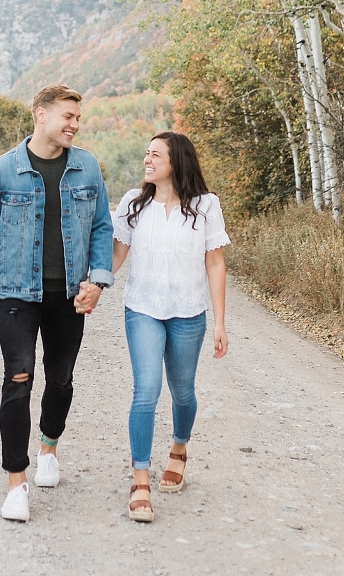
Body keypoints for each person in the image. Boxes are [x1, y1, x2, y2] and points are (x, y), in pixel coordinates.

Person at [0, 84, 114, 523]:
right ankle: (15, 483)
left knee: (60, 380)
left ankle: (49, 450)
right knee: (18, 379)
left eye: (78, 117)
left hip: (70, 295)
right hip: (17, 293)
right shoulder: (2, 171)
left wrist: (98, 280)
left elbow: (100, 228)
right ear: (40, 115)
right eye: (67, 116)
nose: (75, 124)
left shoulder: (88, 168)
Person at [112, 131, 230, 523]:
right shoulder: (133, 203)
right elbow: (116, 255)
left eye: (155, 155)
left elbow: (215, 263)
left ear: (176, 161)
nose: (147, 160)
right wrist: (93, 284)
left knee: (183, 392)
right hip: (142, 308)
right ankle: (140, 479)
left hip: (188, 311)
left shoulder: (205, 206)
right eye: (146, 154)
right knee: (146, 389)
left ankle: (179, 448)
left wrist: (220, 322)